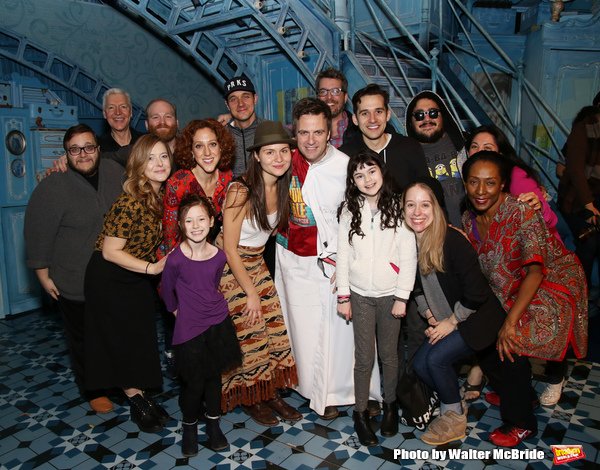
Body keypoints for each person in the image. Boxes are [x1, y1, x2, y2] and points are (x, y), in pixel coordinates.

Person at [462, 151, 588, 447]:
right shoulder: (468, 218)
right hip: (509, 287)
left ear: (503, 184)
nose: (481, 191)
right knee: (480, 335)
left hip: (552, 282)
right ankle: (521, 394)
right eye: (473, 182)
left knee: (511, 341)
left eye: (490, 183)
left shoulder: (521, 213)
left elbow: (535, 271)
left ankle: (521, 423)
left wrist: (510, 322)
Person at [275, 98, 382, 420]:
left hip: (339, 263)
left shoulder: (346, 166)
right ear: (295, 131)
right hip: (296, 262)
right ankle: (315, 392)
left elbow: (364, 217)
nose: (310, 140)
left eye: (318, 132)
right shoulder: (284, 163)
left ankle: (359, 390)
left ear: (330, 130)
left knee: (348, 333)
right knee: (306, 333)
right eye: (304, 133)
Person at [24, 124, 123, 414]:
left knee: (113, 333)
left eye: (89, 147)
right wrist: (42, 273)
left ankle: (117, 381)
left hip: (113, 275)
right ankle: (93, 388)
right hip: (74, 277)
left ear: (98, 148)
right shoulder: (52, 185)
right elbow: (37, 231)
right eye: (75, 149)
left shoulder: (115, 173)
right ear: (66, 154)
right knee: (84, 339)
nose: (83, 154)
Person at [403, 177, 504, 446]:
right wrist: (429, 315)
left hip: (477, 318)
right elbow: (416, 289)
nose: (417, 212)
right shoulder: (407, 242)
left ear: (436, 207)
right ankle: (453, 399)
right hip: (447, 319)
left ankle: (454, 419)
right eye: (410, 205)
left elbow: (477, 294)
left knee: (435, 360)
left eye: (425, 204)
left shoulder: (452, 240)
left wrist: (450, 321)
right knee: (421, 364)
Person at [84, 134, 173, 433]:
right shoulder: (131, 200)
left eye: (163, 156)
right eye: (150, 158)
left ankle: (142, 396)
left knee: (138, 339)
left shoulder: (158, 195)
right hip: (109, 277)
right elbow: (110, 251)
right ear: (138, 163)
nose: (159, 164)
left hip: (134, 275)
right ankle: (138, 403)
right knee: (121, 341)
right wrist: (152, 268)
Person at [220, 120, 301, 426]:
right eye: (270, 152)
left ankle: (269, 392)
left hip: (255, 261)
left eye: (283, 151)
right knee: (250, 331)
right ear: (256, 156)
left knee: (276, 328)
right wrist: (250, 292)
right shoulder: (240, 190)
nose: (278, 158)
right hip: (230, 266)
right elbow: (228, 248)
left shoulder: (282, 187)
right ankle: (251, 397)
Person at [336, 152, 417, 446]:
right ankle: (360, 413)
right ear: (352, 182)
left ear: (382, 171)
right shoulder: (348, 210)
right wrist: (343, 296)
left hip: (389, 296)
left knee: (389, 355)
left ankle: (390, 405)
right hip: (359, 294)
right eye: (359, 175)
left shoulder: (398, 207)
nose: (367, 179)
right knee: (363, 358)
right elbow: (343, 256)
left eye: (371, 171)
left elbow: (408, 258)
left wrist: (402, 297)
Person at [160, 194, 242, 456]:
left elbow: (213, 283)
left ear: (211, 222)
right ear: (181, 226)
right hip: (189, 328)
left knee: (214, 380)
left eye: (201, 219)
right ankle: (190, 427)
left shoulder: (219, 256)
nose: (196, 226)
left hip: (218, 324)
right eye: (189, 221)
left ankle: (214, 425)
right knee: (194, 383)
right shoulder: (175, 259)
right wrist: (175, 311)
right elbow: (167, 289)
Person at [467, 125, 561, 241]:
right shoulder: (467, 178)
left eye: (487, 148)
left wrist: (539, 207)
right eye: (474, 146)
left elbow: (550, 219)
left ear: (500, 154)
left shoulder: (516, 176)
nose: (479, 152)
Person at [159, 118, 235, 257]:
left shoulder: (227, 178)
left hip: (211, 250)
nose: (207, 153)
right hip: (180, 253)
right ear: (191, 151)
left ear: (221, 147)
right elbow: (170, 235)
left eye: (212, 144)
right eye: (199, 146)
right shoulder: (178, 184)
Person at [339, 84, 428, 191]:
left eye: (378, 112)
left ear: (388, 115)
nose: (372, 119)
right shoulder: (345, 156)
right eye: (365, 113)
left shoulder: (409, 147)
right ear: (355, 119)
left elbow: (426, 193)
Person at [558, 100, 600, 294]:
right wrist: (589, 205)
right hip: (576, 201)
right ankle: (582, 293)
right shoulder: (583, 129)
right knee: (589, 243)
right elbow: (573, 170)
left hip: (593, 198)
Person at [221, 75, 264, 177]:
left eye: (246, 96)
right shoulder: (219, 136)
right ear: (227, 105)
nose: (240, 104)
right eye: (233, 99)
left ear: (255, 99)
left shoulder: (271, 130)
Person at [98, 88, 144, 167]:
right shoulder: (97, 147)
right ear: (105, 114)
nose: (118, 112)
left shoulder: (145, 141)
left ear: (131, 112)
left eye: (123, 106)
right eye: (111, 107)